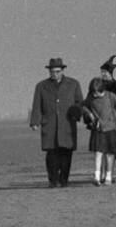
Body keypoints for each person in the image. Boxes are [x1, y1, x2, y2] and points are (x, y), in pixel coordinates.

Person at [29, 58, 83, 187]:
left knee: (66, 153)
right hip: (50, 124)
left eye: (58, 71)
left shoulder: (73, 84)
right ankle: (53, 180)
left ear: (62, 71)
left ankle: (64, 180)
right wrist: (35, 122)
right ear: (49, 71)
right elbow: (37, 105)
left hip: (67, 124)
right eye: (52, 72)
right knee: (51, 154)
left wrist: (77, 115)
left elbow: (79, 102)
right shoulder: (41, 86)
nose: (55, 74)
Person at [81, 77, 116, 186]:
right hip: (98, 129)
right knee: (98, 153)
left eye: (98, 93)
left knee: (110, 154)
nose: (95, 95)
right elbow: (84, 106)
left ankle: (108, 176)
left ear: (103, 90)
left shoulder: (111, 96)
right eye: (93, 93)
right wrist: (90, 115)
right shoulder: (90, 97)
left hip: (111, 128)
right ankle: (97, 176)